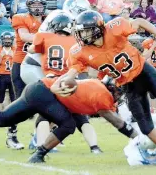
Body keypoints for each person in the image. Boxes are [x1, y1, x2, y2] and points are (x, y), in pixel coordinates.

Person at [50, 10, 156, 162]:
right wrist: (57, 84)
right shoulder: (80, 51)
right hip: (128, 85)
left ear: (97, 29)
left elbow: (139, 21)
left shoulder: (113, 28)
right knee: (146, 128)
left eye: (85, 31)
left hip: (144, 73)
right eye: (80, 32)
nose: (81, 36)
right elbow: (72, 73)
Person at [0, 76, 138, 163]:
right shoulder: (101, 94)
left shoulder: (95, 87)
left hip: (37, 89)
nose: (120, 95)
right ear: (112, 88)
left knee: (1, 120)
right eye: (120, 91)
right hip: (45, 93)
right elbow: (114, 120)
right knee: (68, 125)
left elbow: (77, 104)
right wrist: (136, 137)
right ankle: (39, 154)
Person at [27, 13, 103, 154]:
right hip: (71, 81)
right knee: (81, 118)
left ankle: (42, 146)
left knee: (44, 115)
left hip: (51, 80)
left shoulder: (44, 37)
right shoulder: (77, 42)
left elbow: (30, 49)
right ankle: (94, 147)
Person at [8, 0, 47, 150]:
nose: (37, 7)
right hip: (21, 63)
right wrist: (47, 36)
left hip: (40, 65)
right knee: (20, 102)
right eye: (34, 4)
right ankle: (11, 136)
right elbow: (24, 36)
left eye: (40, 4)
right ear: (28, 6)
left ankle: (41, 135)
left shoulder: (47, 21)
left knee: (46, 100)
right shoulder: (20, 18)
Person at [0, 32, 15, 111]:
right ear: (2, 40)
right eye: (6, 39)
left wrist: (13, 56)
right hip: (2, 75)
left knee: (14, 97)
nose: (7, 41)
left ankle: (14, 114)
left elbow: (19, 64)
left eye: (9, 39)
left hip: (13, 75)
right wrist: (1, 56)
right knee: (0, 96)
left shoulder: (16, 50)